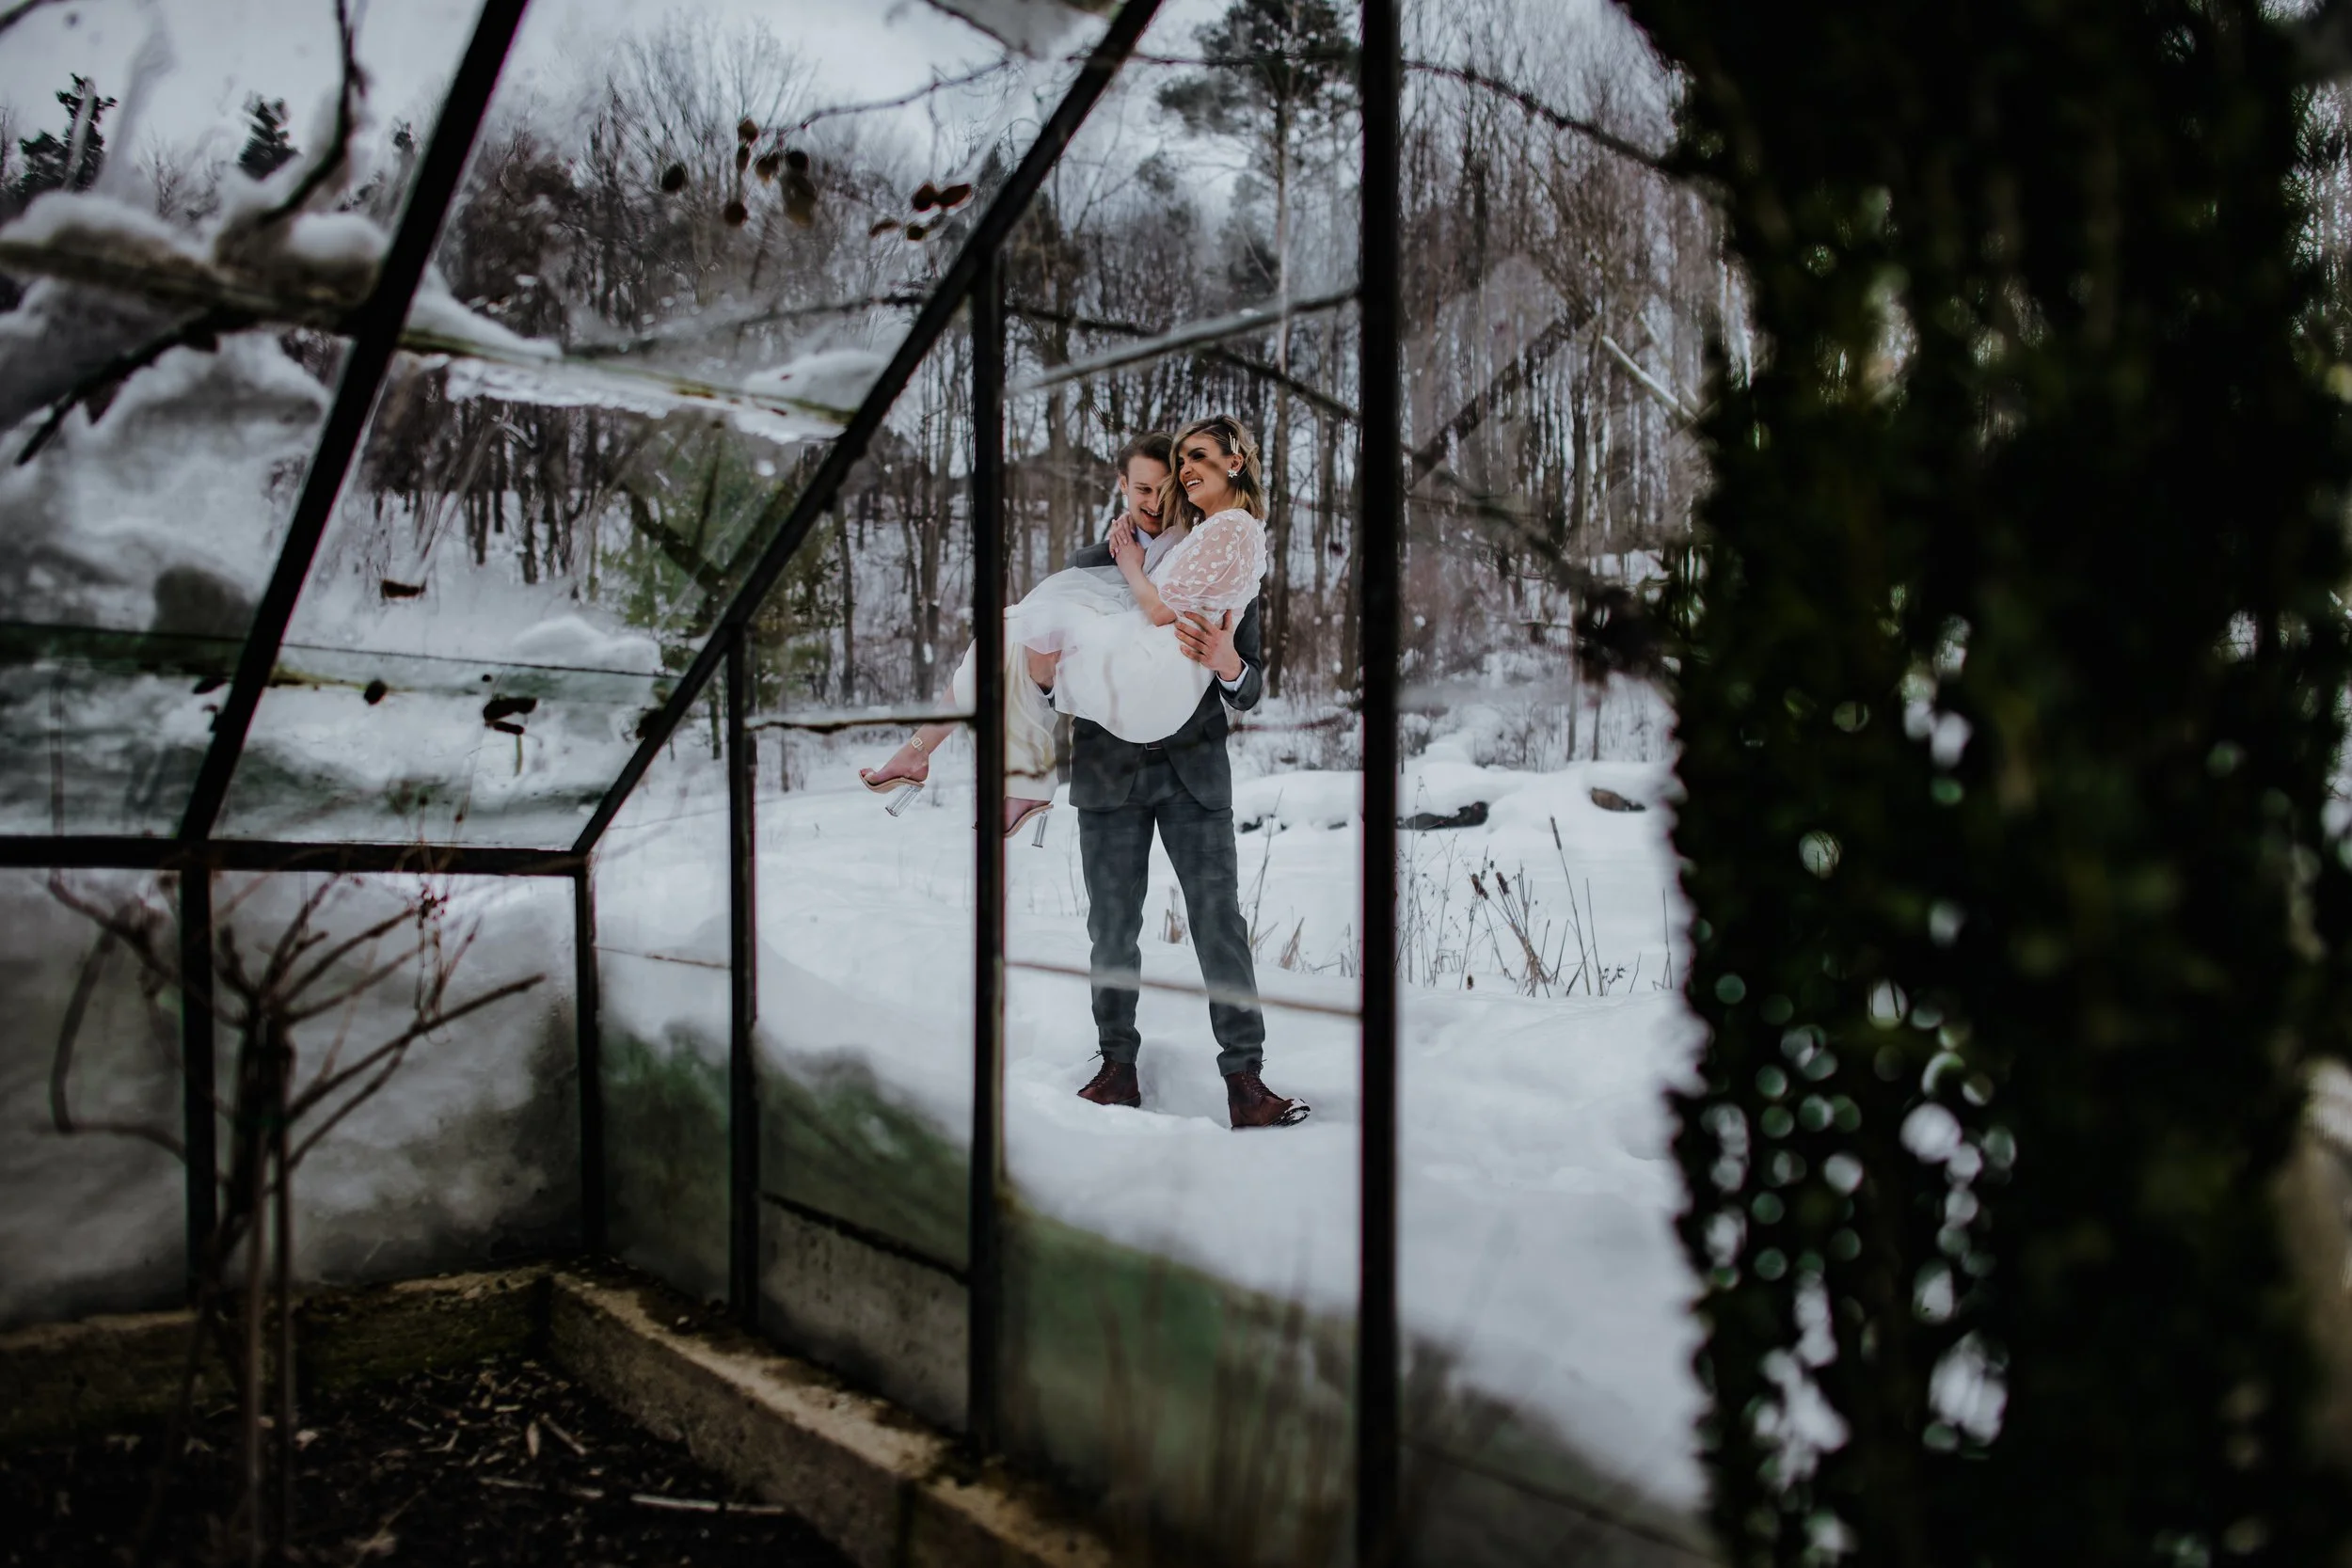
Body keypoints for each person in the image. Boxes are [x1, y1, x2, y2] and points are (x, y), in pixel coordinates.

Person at [1062, 417, 1309, 1131]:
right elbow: (1059, 657)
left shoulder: (1218, 557)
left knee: (1219, 925)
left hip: (1194, 772)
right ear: (1126, 488)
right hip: (1108, 772)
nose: (1156, 498)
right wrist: (1049, 686)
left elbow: (1252, 678)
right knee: (1111, 928)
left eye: (1171, 483)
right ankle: (1116, 1069)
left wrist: (1230, 665)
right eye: (1146, 485)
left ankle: (1246, 1082)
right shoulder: (1094, 562)